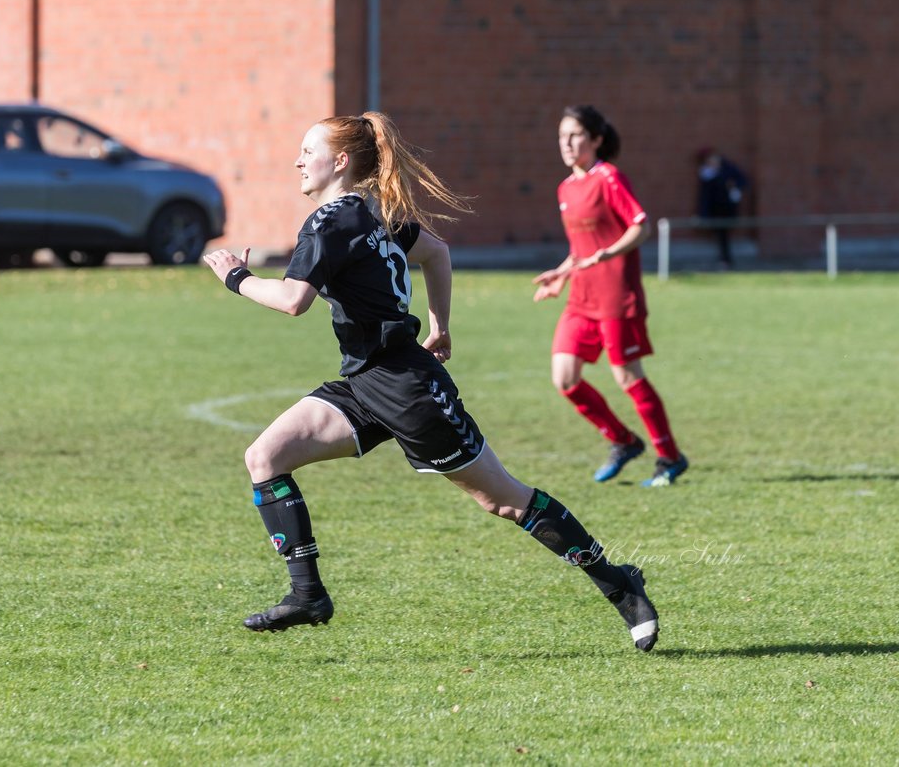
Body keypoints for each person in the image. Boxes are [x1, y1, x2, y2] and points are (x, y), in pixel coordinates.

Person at [203, 111, 659, 652]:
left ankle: (621, 586)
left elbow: (292, 300)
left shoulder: (329, 222)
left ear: (341, 162)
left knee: (506, 501)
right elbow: (436, 253)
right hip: (364, 381)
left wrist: (234, 275)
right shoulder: (373, 212)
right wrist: (440, 325)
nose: (298, 160)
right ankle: (307, 595)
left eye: (308, 150)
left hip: (408, 390)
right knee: (265, 458)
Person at [532, 105, 688, 489]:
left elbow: (641, 227)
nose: (567, 144)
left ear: (596, 139)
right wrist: (561, 274)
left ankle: (669, 457)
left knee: (627, 376)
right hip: (581, 296)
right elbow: (579, 247)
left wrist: (606, 254)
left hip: (617, 295)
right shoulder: (566, 188)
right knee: (564, 377)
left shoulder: (610, 178)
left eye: (575, 136)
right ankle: (623, 440)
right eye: (561, 137)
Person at [694, 146, 749, 269]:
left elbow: (742, 180)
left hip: (727, 209)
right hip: (715, 210)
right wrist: (703, 214)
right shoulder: (707, 174)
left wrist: (735, 190)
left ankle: (726, 259)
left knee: (724, 235)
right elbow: (705, 197)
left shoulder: (728, 169)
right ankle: (724, 258)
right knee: (720, 235)